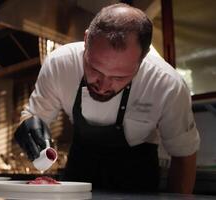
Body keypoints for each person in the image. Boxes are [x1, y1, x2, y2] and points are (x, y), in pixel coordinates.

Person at [14, 3, 199, 194]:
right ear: (86, 40)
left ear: (141, 60)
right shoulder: (60, 64)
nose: (102, 86)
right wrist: (28, 126)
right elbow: (33, 115)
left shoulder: (167, 85)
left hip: (137, 177)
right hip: (80, 169)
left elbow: (184, 155)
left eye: (119, 77)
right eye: (94, 69)